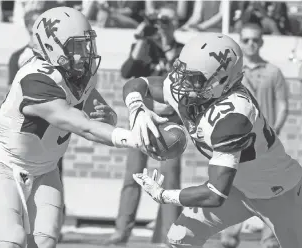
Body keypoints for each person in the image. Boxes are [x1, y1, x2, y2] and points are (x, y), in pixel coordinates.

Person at [0, 7, 148, 248]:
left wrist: (108, 117)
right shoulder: (35, 79)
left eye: (87, 45)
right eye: (78, 46)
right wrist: (136, 139)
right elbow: (83, 127)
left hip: (45, 170)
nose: (86, 53)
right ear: (53, 46)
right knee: (10, 241)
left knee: (44, 242)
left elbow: (95, 116)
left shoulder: (78, 74)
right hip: (3, 165)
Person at [122, 33, 302, 248]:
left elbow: (215, 194)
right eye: (183, 73)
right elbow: (138, 83)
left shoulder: (233, 115)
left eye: (194, 78)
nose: (183, 84)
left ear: (223, 81)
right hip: (238, 189)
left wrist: (164, 195)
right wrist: (137, 109)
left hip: (279, 193)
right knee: (180, 237)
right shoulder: (190, 86)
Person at [104, 5, 184, 245]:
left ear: (176, 24)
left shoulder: (182, 51)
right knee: (134, 176)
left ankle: (170, 235)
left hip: (171, 121)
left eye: (167, 21)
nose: (162, 25)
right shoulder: (146, 46)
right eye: (159, 21)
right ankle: (122, 230)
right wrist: (141, 38)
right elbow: (128, 71)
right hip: (143, 118)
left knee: (171, 179)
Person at [220, 21, 289, 248]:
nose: (251, 45)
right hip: (237, 144)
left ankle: (270, 242)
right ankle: (228, 239)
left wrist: (275, 129)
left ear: (262, 42)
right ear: (241, 41)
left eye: (255, 40)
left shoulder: (274, 72)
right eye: (247, 40)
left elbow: (282, 106)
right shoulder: (231, 73)